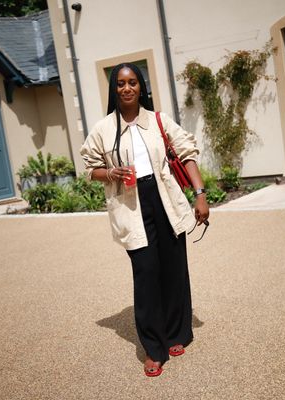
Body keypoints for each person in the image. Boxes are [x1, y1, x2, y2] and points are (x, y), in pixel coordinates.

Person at [80, 63, 209, 377]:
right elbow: (88, 168)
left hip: (164, 200)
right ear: (114, 89)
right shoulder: (103, 129)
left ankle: (178, 333)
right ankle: (154, 348)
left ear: (141, 87)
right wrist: (109, 172)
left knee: (175, 270)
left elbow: (187, 151)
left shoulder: (159, 120)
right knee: (146, 274)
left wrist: (200, 193)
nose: (127, 88)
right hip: (131, 207)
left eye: (133, 82)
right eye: (121, 83)